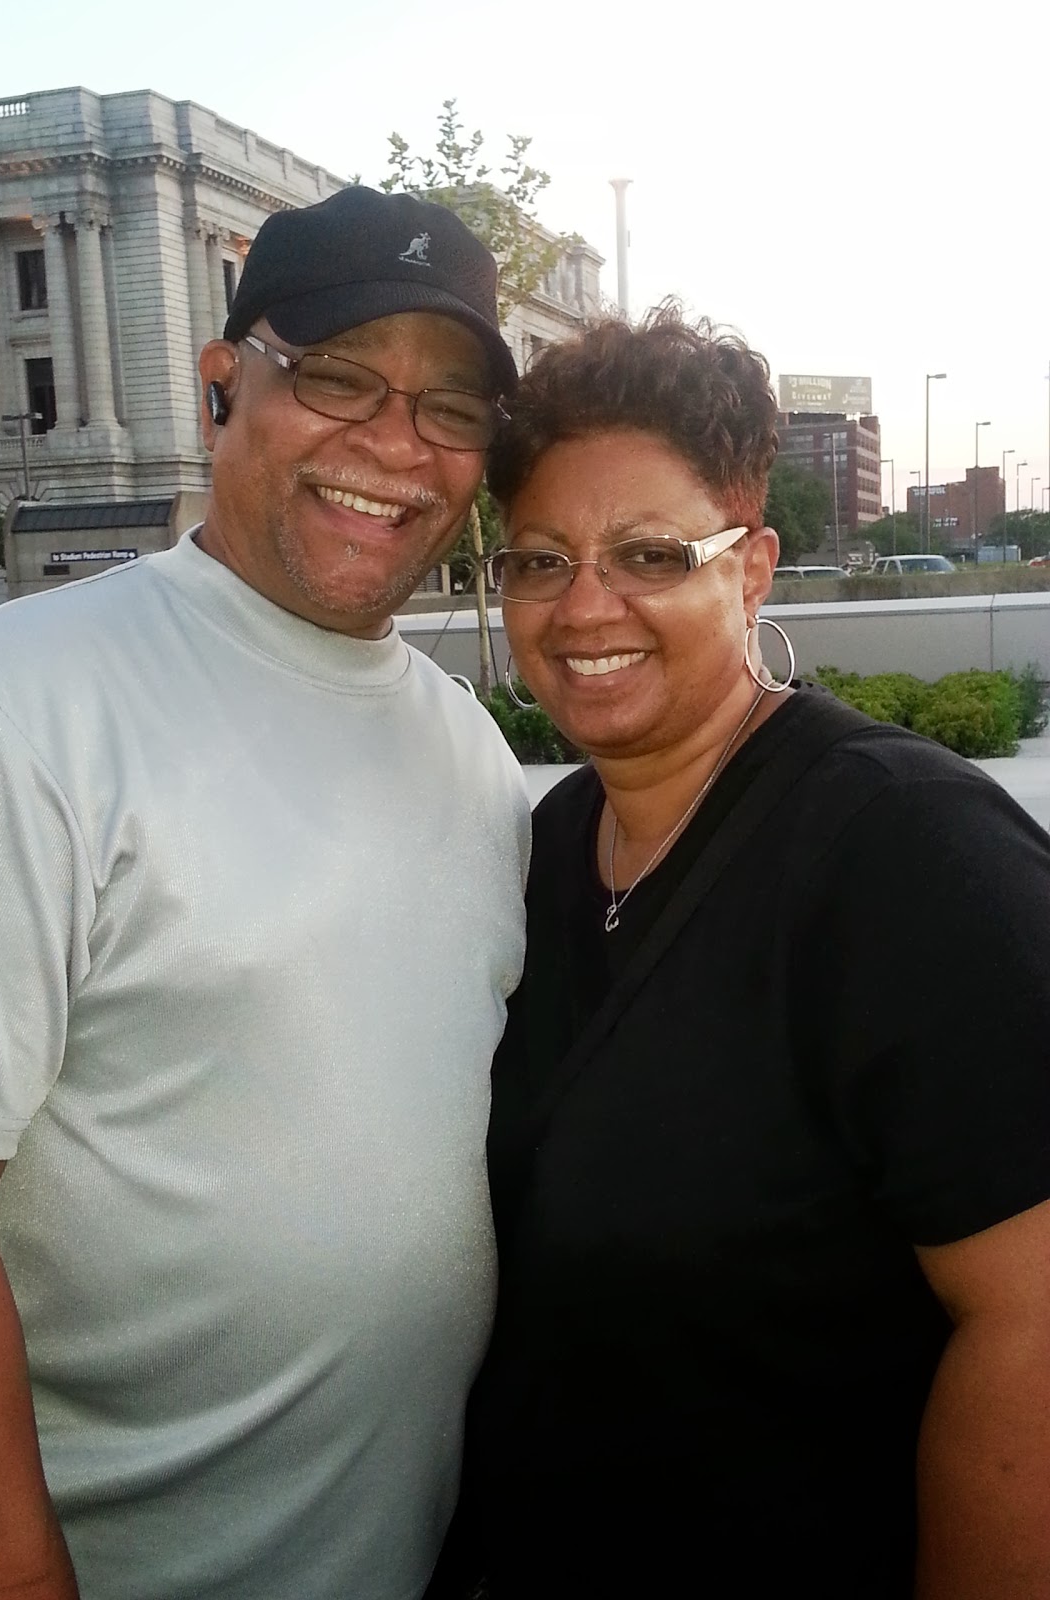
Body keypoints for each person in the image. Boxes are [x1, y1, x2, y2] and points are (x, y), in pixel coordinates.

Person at [0, 186, 531, 1600]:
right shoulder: (23, 704)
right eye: (339, 378)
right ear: (224, 383)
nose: (395, 444)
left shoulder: (469, 748)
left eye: (451, 408)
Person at [442, 308, 1050, 1598]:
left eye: (649, 554)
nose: (584, 606)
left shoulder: (906, 852)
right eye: (541, 561)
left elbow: (1035, 1324)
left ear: (753, 568)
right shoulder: (548, 850)